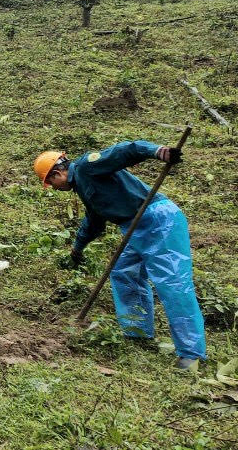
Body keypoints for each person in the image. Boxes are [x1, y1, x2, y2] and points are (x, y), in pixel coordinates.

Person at [35, 141, 205, 371]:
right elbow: (94, 222)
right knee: (124, 271)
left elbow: (126, 151)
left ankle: (190, 354)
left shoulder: (87, 166)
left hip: (157, 220)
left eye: (50, 183)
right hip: (133, 228)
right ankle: (137, 331)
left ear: (58, 173)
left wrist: (158, 152)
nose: (54, 189)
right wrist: (77, 248)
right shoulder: (84, 187)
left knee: (172, 283)